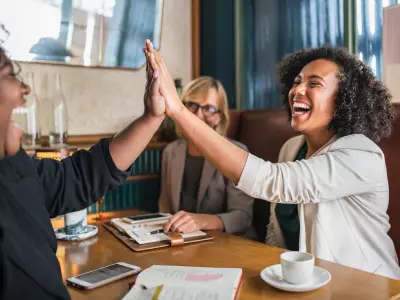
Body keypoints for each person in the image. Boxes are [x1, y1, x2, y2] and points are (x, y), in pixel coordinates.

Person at [144, 41, 400, 279]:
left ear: (345, 100)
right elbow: (276, 229)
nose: (297, 90)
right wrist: (271, 274)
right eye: (297, 82)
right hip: (307, 285)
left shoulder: (360, 154)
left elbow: (272, 181)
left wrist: (178, 110)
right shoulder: (291, 148)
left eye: (314, 83)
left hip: (369, 286)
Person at [0, 40, 164, 299]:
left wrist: (151, 118)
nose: (25, 88)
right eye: (9, 75)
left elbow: (76, 178)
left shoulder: (13, 166)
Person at [159, 76, 256, 239]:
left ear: (219, 117)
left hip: (227, 243)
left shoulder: (237, 152)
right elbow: (164, 208)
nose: (198, 115)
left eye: (209, 108)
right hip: (182, 241)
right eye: (192, 105)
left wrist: (201, 221)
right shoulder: (171, 152)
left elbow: (242, 217)